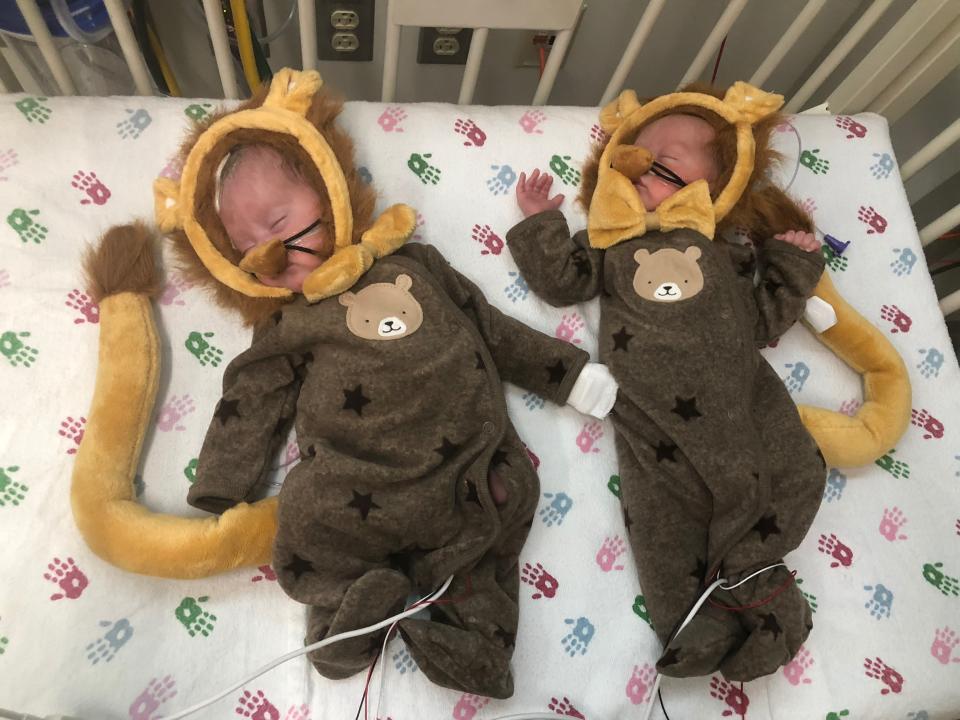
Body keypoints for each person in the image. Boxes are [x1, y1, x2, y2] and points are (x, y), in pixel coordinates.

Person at [185, 125, 617, 698]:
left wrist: (566, 374)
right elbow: (251, 392)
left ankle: (478, 647)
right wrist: (223, 480)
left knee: (494, 522)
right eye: (246, 249)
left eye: (279, 224)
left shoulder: (415, 265)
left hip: (465, 467)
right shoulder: (289, 321)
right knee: (309, 511)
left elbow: (488, 327)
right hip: (356, 480)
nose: (267, 251)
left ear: (330, 192)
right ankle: (349, 612)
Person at [505, 83, 826, 682]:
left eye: (662, 166)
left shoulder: (722, 250)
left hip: (738, 403)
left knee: (786, 477)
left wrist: (791, 263)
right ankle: (687, 624)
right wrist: (543, 224)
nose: (636, 173)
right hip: (648, 418)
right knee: (657, 521)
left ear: (715, 187)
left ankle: (764, 592)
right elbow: (563, 281)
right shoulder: (612, 243)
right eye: (630, 160)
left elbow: (761, 320)